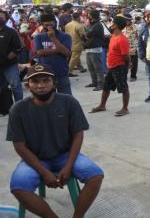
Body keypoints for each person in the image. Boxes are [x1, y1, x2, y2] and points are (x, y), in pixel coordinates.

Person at [6, 63, 104, 218]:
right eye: (35, 82)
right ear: (27, 85)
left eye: (46, 80)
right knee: (19, 187)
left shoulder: (69, 102)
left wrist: (68, 165)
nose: (41, 86)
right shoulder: (18, 109)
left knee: (95, 176)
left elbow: (78, 134)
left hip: (65, 154)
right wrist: (44, 172)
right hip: (35, 158)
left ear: (54, 83)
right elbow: (19, 146)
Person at [90, 16, 131, 117]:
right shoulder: (113, 36)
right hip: (112, 67)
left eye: (112, 22)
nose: (110, 24)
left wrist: (129, 64)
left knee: (123, 88)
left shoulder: (122, 39)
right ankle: (102, 105)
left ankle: (125, 108)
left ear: (116, 25)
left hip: (119, 67)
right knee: (106, 87)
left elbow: (126, 55)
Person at [34, 14, 72, 95]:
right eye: (46, 25)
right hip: (45, 73)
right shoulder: (39, 37)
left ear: (55, 22)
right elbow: (39, 52)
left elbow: (67, 53)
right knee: (49, 97)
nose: (49, 27)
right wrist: (58, 50)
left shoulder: (65, 36)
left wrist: (53, 38)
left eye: (51, 24)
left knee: (66, 97)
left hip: (61, 71)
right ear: (42, 25)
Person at [0, 10, 23, 101]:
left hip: (9, 65)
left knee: (15, 86)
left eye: (1, 18)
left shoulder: (11, 32)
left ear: (6, 19)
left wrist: (6, 59)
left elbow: (17, 48)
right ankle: (4, 109)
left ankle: (19, 107)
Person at [84, 10, 105, 91]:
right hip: (89, 48)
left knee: (97, 68)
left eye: (89, 15)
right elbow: (86, 33)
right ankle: (94, 82)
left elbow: (88, 34)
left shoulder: (98, 25)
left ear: (92, 16)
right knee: (91, 68)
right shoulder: (92, 24)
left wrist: (86, 31)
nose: (88, 16)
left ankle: (101, 84)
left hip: (95, 49)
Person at [124, 17, 139, 82]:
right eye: (125, 20)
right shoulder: (122, 27)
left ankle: (133, 76)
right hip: (124, 47)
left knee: (133, 63)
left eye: (128, 20)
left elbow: (139, 37)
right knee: (124, 62)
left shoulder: (135, 27)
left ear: (130, 20)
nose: (127, 21)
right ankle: (124, 75)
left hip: (133, 48)